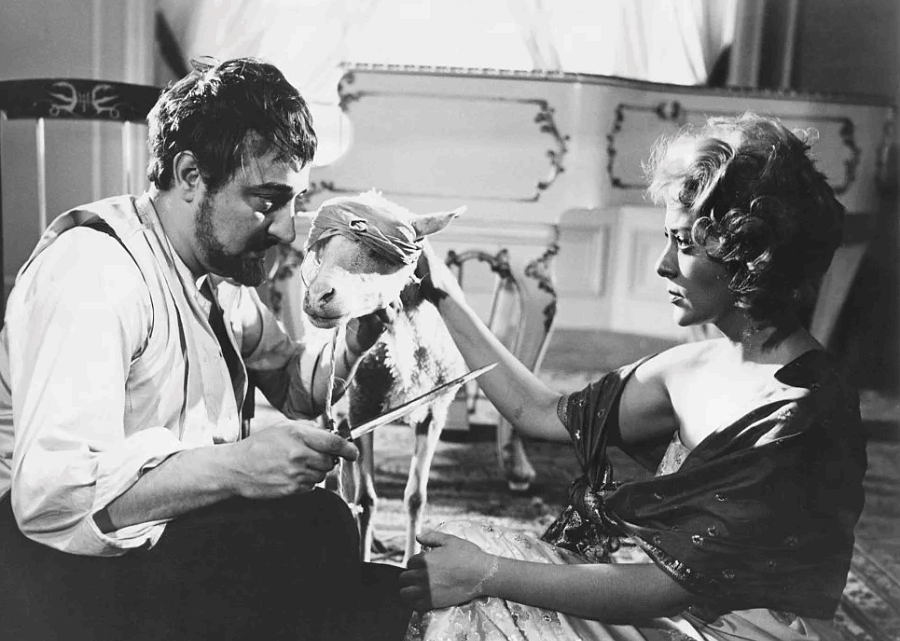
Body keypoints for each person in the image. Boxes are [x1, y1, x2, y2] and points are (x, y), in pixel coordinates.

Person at [401, 113, 867, 641]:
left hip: (748, 634)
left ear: (747, 255)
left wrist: (486, 573)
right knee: (465, 544)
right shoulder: (694, 366)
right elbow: (539, 413)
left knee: (480, 595)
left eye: (685, 244)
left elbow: (664, 589)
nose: (663, 265)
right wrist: (442, 293)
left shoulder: (800, 412)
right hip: (685, 616)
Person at [0, 58, 410, 641]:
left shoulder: (217, 274)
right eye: (267, 199)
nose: (287, 230)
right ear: (190, 175)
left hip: (157, 529)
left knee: (339, 548)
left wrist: (357, 336)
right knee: (316, 534)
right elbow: (52, 500)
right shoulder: (96, 275)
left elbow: (295, 387)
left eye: (294, 201)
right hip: (50, 565)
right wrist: (239, 467)